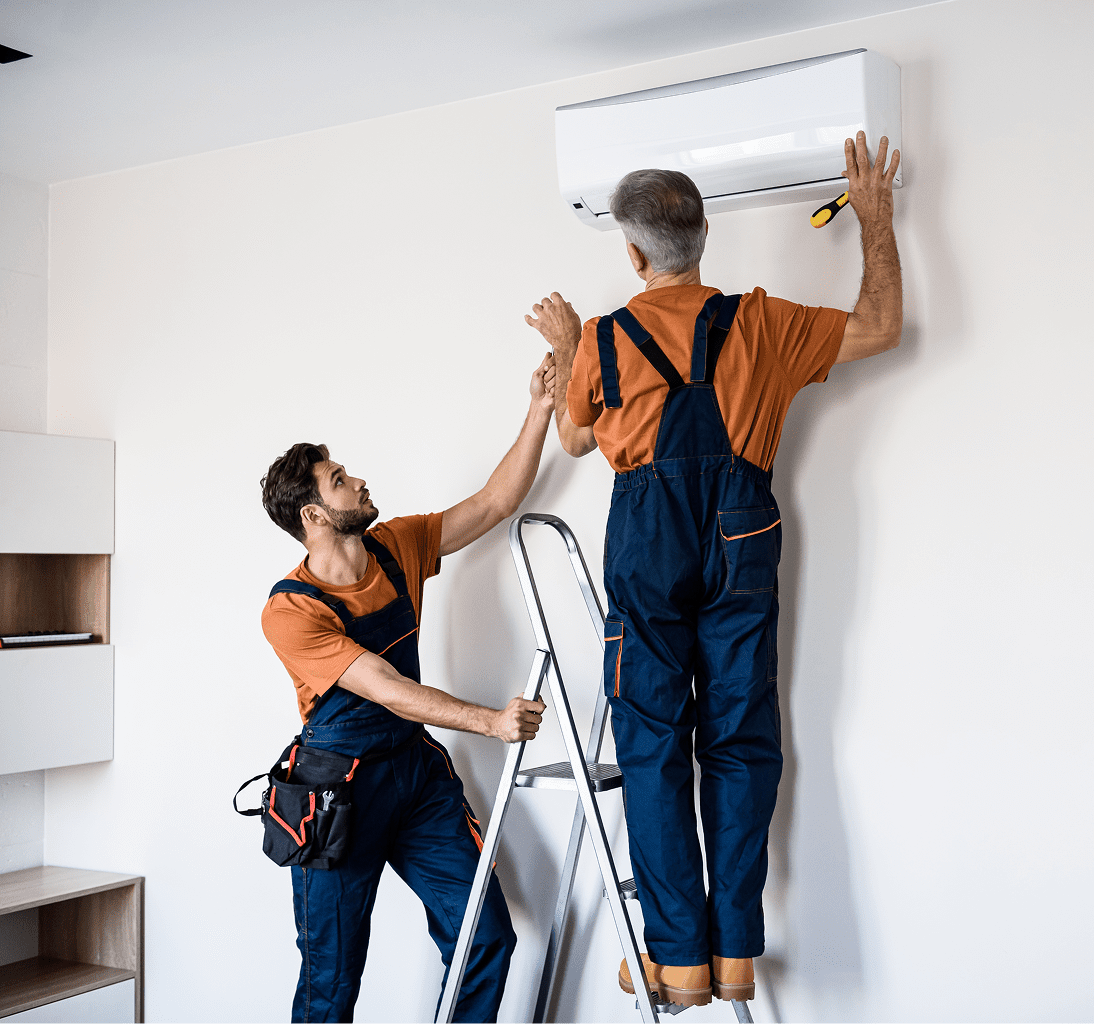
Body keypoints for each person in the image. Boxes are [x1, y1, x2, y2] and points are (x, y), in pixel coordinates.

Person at [525, 133, 902, 1008]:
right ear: (704, 237)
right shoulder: (765, 323)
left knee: (652, 743)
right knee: (740, 737)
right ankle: (733, 954)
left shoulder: (605, 342)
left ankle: (677, 959)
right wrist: (875, 218)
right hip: (743, 531)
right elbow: (881, 325)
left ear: (633, 254)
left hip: (647, 539)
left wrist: (574, 342)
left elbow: (574, 439)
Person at [259, 353, 556, 1024]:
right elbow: (385, 686)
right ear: (313, 514)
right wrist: (491, 722)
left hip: (413, 776)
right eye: (340, 480)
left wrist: (540, 409)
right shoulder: (290, 610)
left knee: (485, 936)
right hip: (336, 793)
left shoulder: (396, 547)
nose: (359, 480)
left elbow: (493, 502)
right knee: (331, 981)